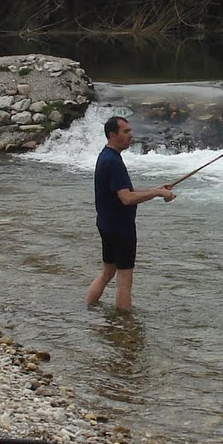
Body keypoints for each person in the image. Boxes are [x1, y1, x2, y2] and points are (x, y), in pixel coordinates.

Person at [86, 115, 175, 310]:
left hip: (106, 225)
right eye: (125, 131)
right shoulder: (114, 162)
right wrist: (158, 193)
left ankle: (88, 308)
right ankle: (124, 324)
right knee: (124, 280)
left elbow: (124, 192)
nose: (130, 135)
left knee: (107, 273)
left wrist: (155, 189)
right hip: (121, 229)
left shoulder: (106, 156)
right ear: (113, 135)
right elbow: (127, 198)